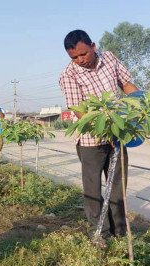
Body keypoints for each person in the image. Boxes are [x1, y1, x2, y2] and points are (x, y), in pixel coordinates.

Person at [59, 30, 139, 246]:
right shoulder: (69, 75)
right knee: (93, 190)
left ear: (93, 46)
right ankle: (100, 233)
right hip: (90, 141)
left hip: (118, 136)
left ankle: (121, 231)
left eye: (83, 54)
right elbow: (80, 113)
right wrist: (107, 130)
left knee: (117, 187)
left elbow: (127, 84)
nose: (80, 61)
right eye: (74, 57)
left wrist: (140, 105)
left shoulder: (109, 58)